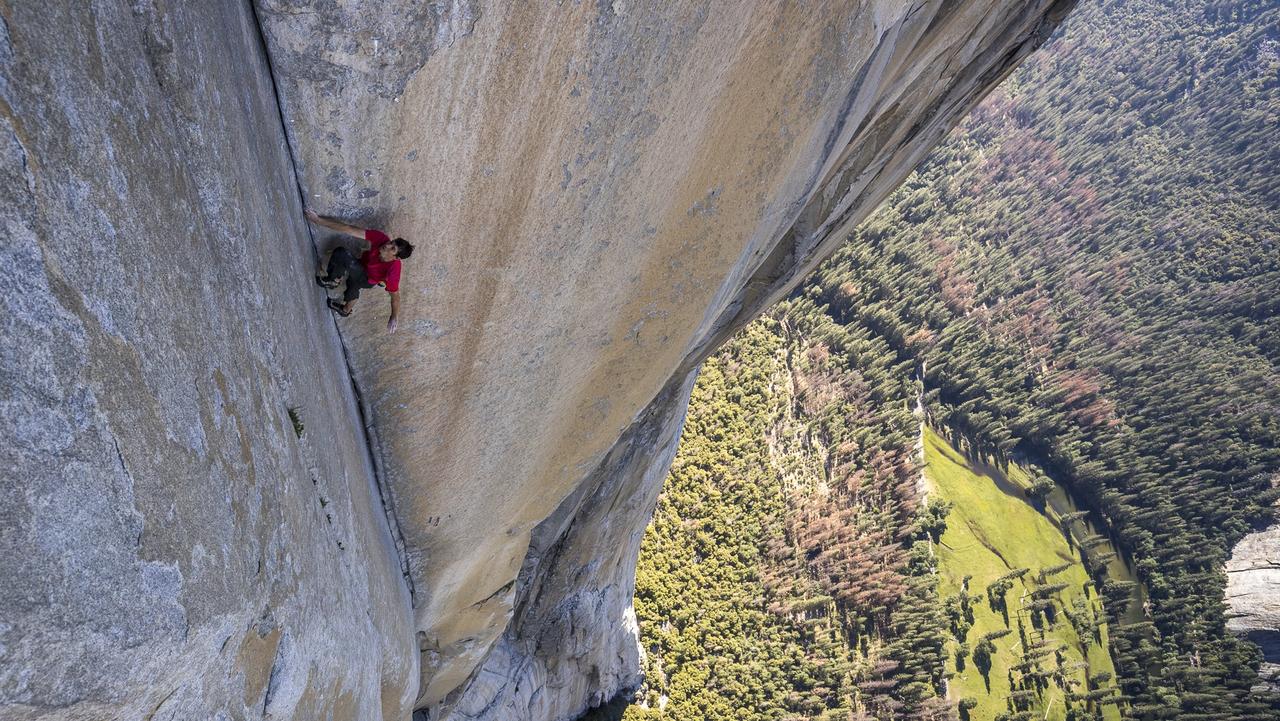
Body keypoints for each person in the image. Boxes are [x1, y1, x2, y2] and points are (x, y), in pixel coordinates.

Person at [306, 209, 414, 333]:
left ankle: (332, 280)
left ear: (395, 257)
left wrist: (394, 317)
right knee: (353, 282)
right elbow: (349, 229)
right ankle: (345, 310)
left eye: (392, 248)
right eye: (391, 242)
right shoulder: (381, 238)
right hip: (362, 265)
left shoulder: (394, 270)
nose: (387, 245)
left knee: (342, 254)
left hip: (367, 279)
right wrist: (318, 220)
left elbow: (395, 296)